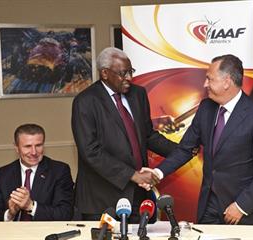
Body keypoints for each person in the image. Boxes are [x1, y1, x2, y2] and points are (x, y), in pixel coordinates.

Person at [145, 54, 253, 224]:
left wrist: (241, 206)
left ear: (227, 81)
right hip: (209, 205)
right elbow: (185, 148)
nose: (205, 84)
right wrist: (157, 172)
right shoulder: (205, 108)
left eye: (209, 79)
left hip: (243, 211)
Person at [71, 47, 177, 222]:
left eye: (131, 71)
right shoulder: (85, 101)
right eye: (123, 73)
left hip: (138, 195)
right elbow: (90, 151)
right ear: (104, 73)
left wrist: (183, 150)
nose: (129, 78)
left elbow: (148, 136)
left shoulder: (138, 94)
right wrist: (132, 175)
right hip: (102, 200)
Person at [0, 124, 74, 221]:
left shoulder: (59, 171)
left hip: (45, 233)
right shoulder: (2, 174)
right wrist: (10, 213)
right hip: (13, 234)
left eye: (38, 145)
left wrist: (31, 206)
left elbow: (65, 214)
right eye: (28, 146)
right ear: (16, 148)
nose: (34, 152)